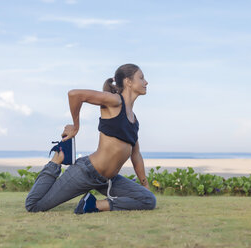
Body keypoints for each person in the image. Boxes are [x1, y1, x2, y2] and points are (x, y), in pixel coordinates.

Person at [25, 63, 156, 214]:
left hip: (108, 180)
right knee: (34, 206)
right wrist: (76, 126)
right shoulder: (115, 101)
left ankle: (95, 205)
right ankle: (56, 160)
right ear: (128, 82)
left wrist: (144, 184)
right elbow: (75, 94)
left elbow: (136, 155)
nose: (146, 82)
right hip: (86, 172)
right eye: (141, 78)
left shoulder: (134, 120)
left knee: (149, 200)